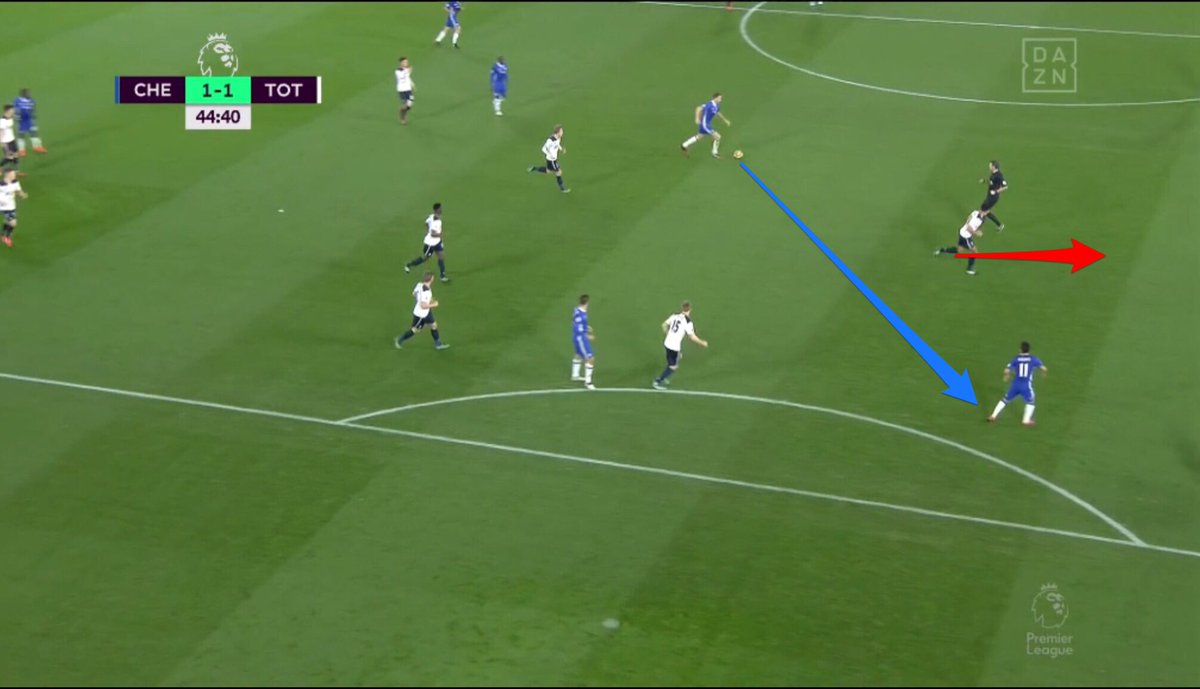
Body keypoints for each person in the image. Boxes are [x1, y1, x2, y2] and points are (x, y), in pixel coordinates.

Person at [987, 342, 1047, 426]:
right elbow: (1044, 368)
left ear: (1020, 350)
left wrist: (1006, 376)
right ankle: (1026, 420)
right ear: (1029, 350)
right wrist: (1043, 373)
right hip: (1026, 386)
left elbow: (1006, 370)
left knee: (1005, 400)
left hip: (1015, 385)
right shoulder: (1034, 359)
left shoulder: (1016, 359)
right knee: (1031, 402)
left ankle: (993, 415)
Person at [653, 302, 708, 389]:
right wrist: (702, 342)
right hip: (674, 347)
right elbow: (692, 336)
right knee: (673, 366)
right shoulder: (688, 322)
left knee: (675, 359)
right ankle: (658, 381)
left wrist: (668, 334)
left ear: (682, 309)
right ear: (690, 310)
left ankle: (664, 375)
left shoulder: (674, 316)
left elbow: (663, 325)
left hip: (667, 343)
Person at [395, 271, 450, 350]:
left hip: (426, 312)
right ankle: (400, 339)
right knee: (415, 330)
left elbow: (414, 294)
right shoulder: (426, 291)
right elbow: (423, 306)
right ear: (431, 279)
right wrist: (434, 304)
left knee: (434, 325)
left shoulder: (419, 284)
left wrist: (427, 299)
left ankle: (438, 344)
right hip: (421, 314)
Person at [680, 93, 731, 159]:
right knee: (718, 137)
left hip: (706, 124)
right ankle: (715, 153)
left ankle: (684, 145)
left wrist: (725, 120)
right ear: (715, 98)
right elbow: (698, 108)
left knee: (699, 136)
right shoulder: (709, 105)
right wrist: (697, 118)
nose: (721, 100)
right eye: (719, 98)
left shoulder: (717, 106)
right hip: (705, 125)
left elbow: (718, 113)